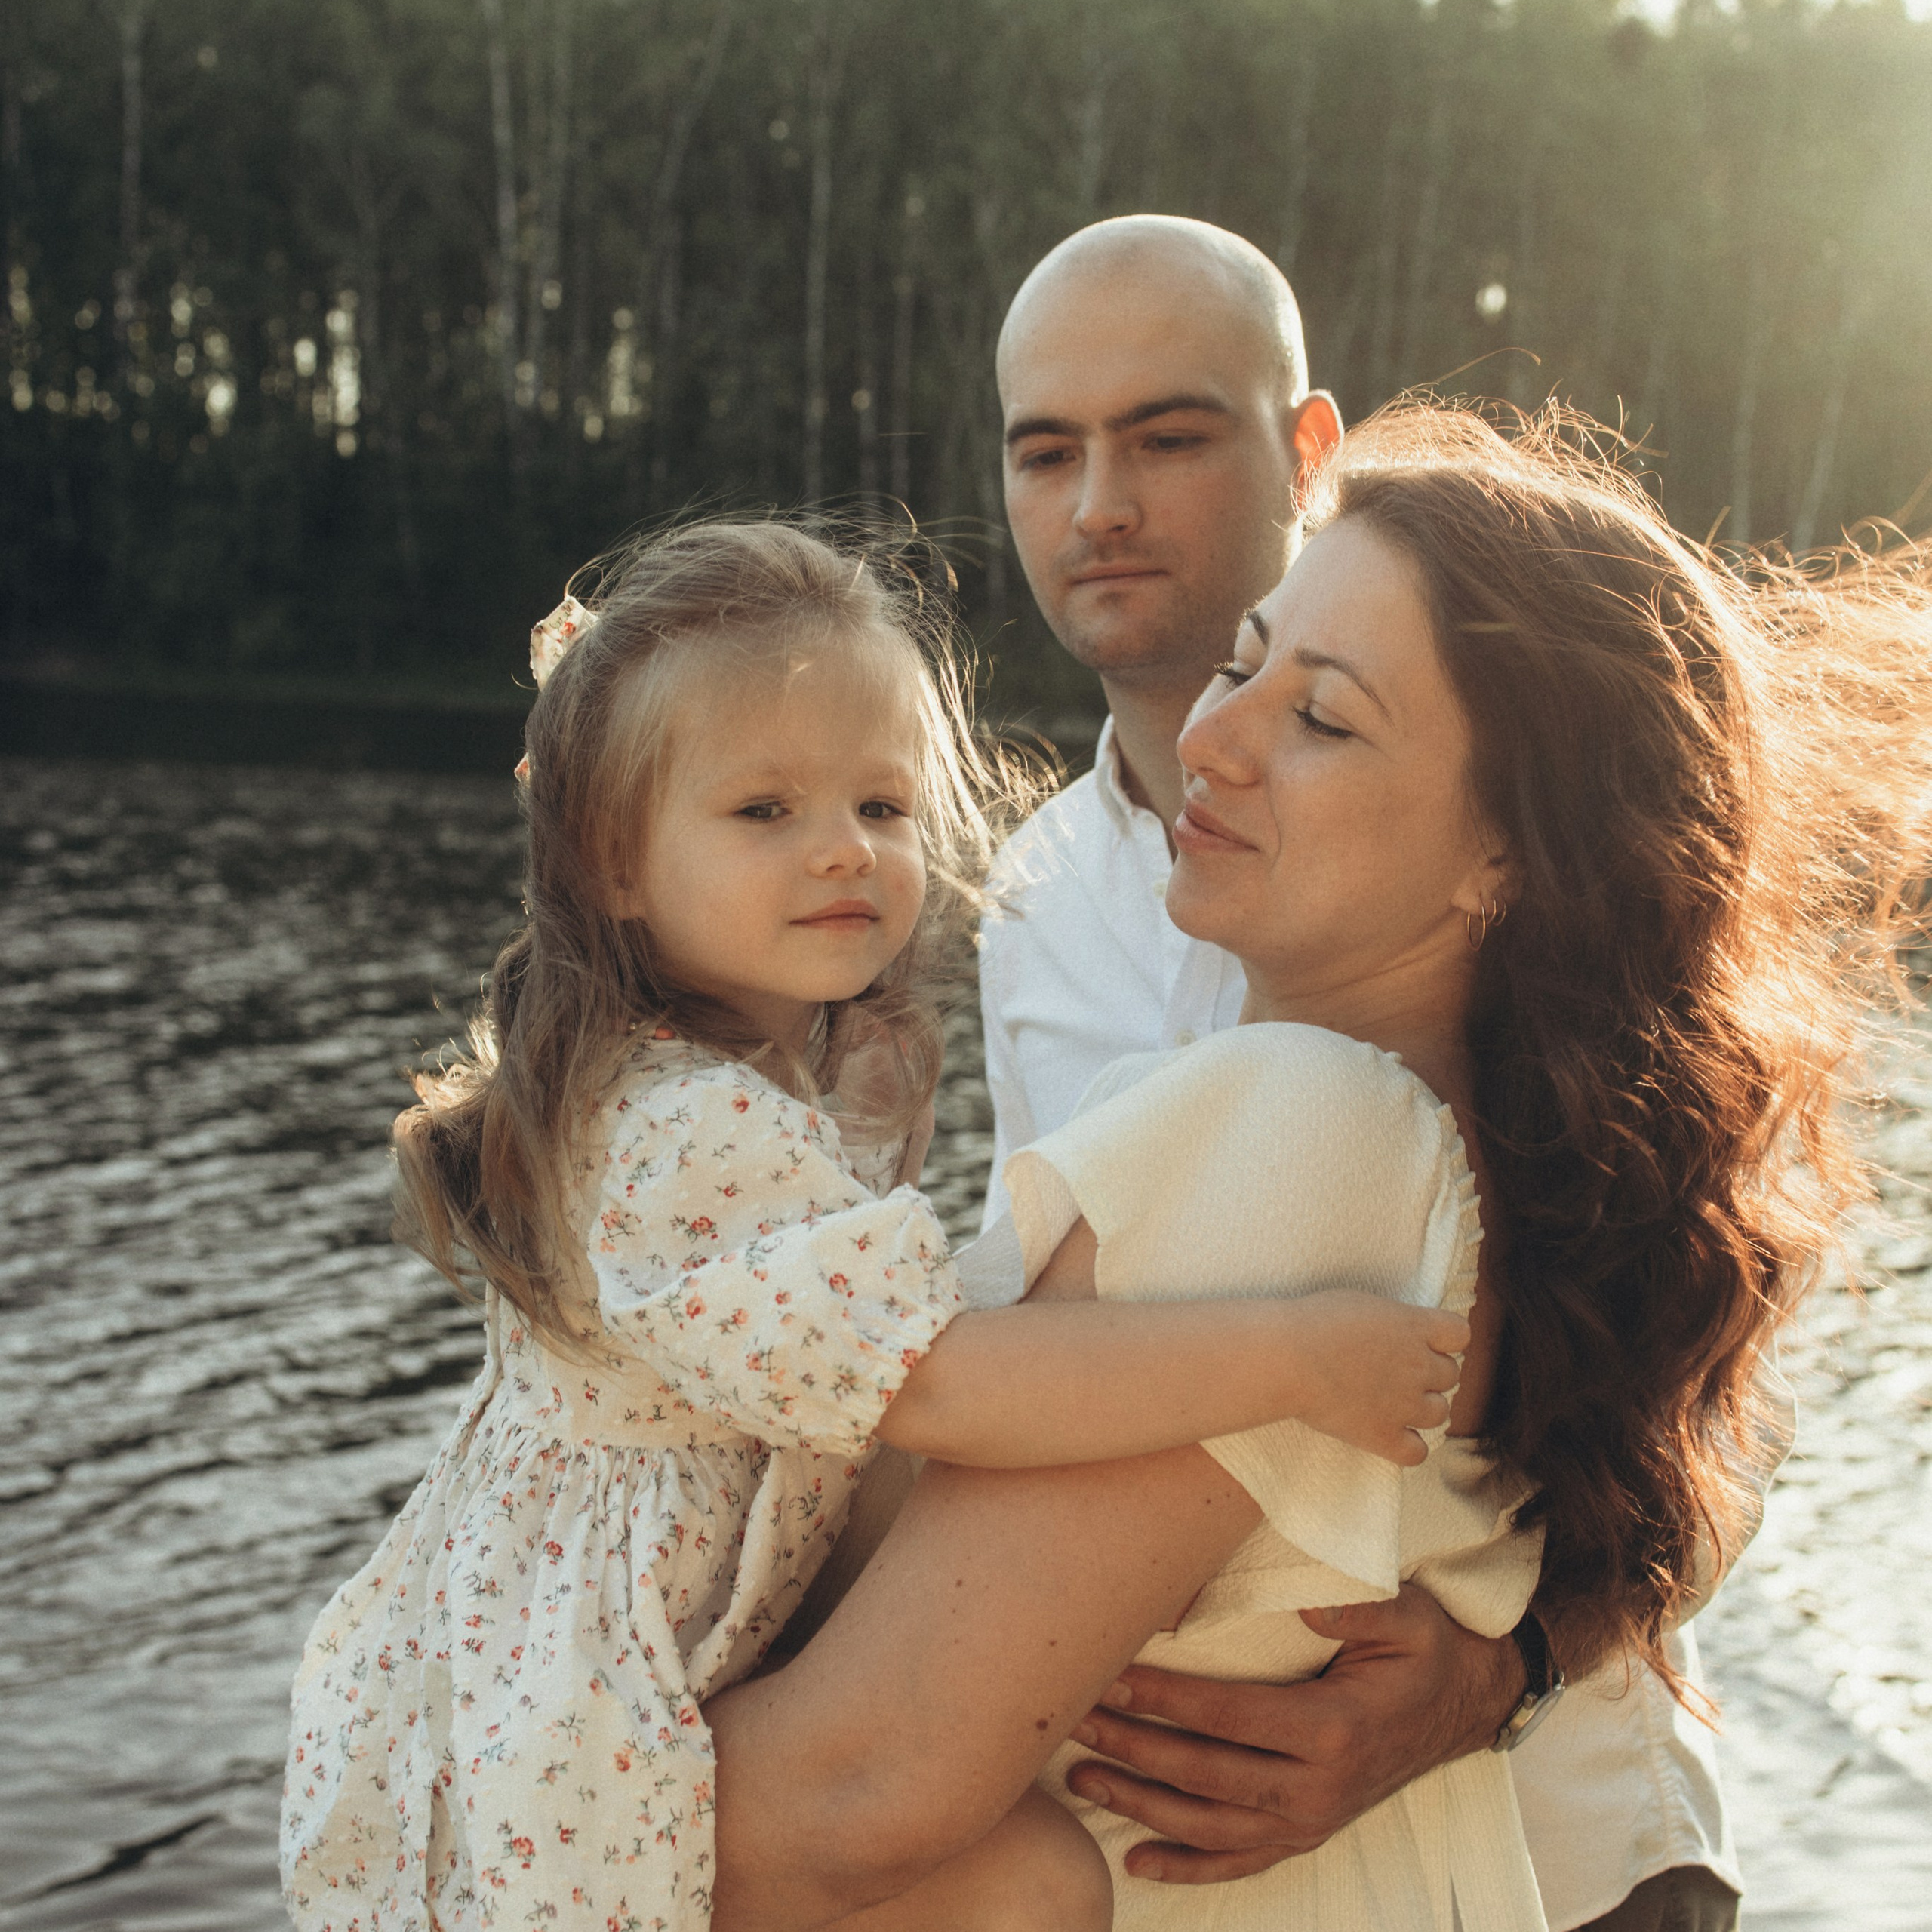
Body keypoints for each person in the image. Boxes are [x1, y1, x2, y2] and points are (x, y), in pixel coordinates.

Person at [703, 398, 1930, 1929]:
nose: (1212, 736)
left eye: (1322, 715)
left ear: (1511, 859)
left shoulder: (1308, 1126)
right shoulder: (1480, 1155)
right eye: (1243, 662)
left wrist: (470, 1764)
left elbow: (846, 1794)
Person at [276, 518, 1472, 1932]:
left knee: (1031, 1882)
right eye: (764, 812)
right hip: (577, 1711)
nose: (842, 852)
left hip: (647, 1647)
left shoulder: (762, 1072)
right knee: (1030, 1891)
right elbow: (941, 1384)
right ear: (611, 860)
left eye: (883, 808)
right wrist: (1295, 1359)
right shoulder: (676, 1125)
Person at [980, 214, 1736, 1930]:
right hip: (1219, 1864)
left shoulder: (1528, 789)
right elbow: (1065, 1335)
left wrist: (1505, 1668)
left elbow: (1712, 1355)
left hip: (1562, 1840)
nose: (1098, 499)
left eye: (1166, 434)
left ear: (1304, 448)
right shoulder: (1025, 892)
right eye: (1045, 448)